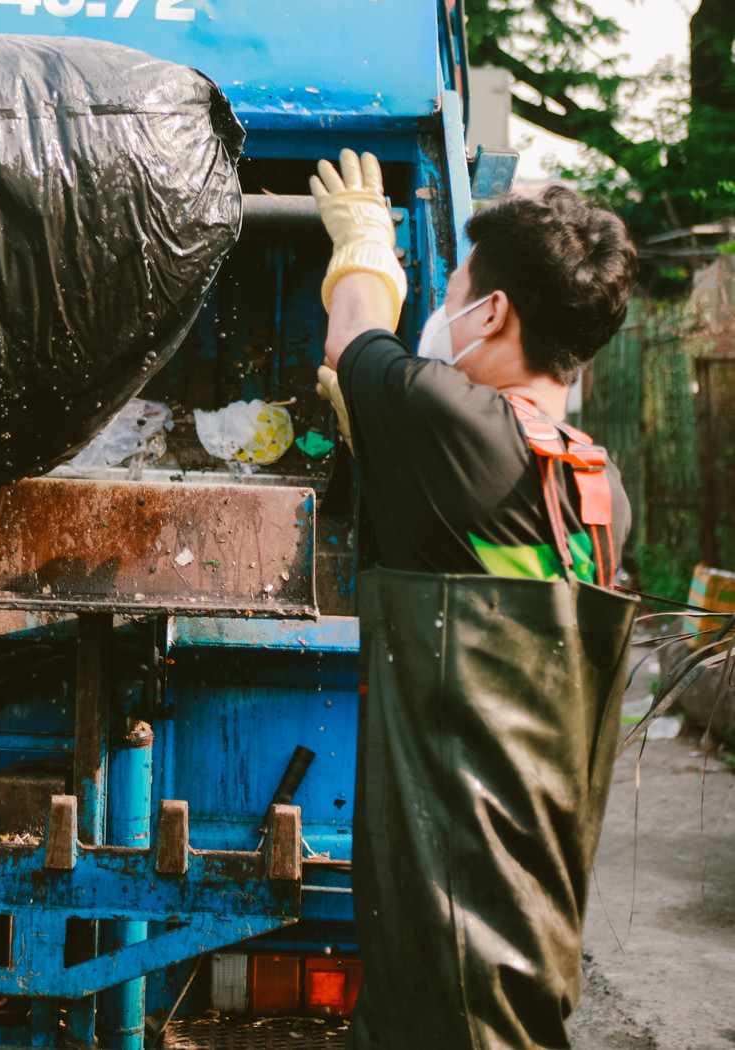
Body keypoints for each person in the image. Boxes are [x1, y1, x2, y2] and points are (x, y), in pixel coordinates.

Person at [310, 151, 640, 1049]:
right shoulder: (599, 485)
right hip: (533, 917)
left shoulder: (444, 416)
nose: (440, 306)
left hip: (445, 909)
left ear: (492, 310)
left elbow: (353, 338)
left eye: (451, 285)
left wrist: (364, 243)